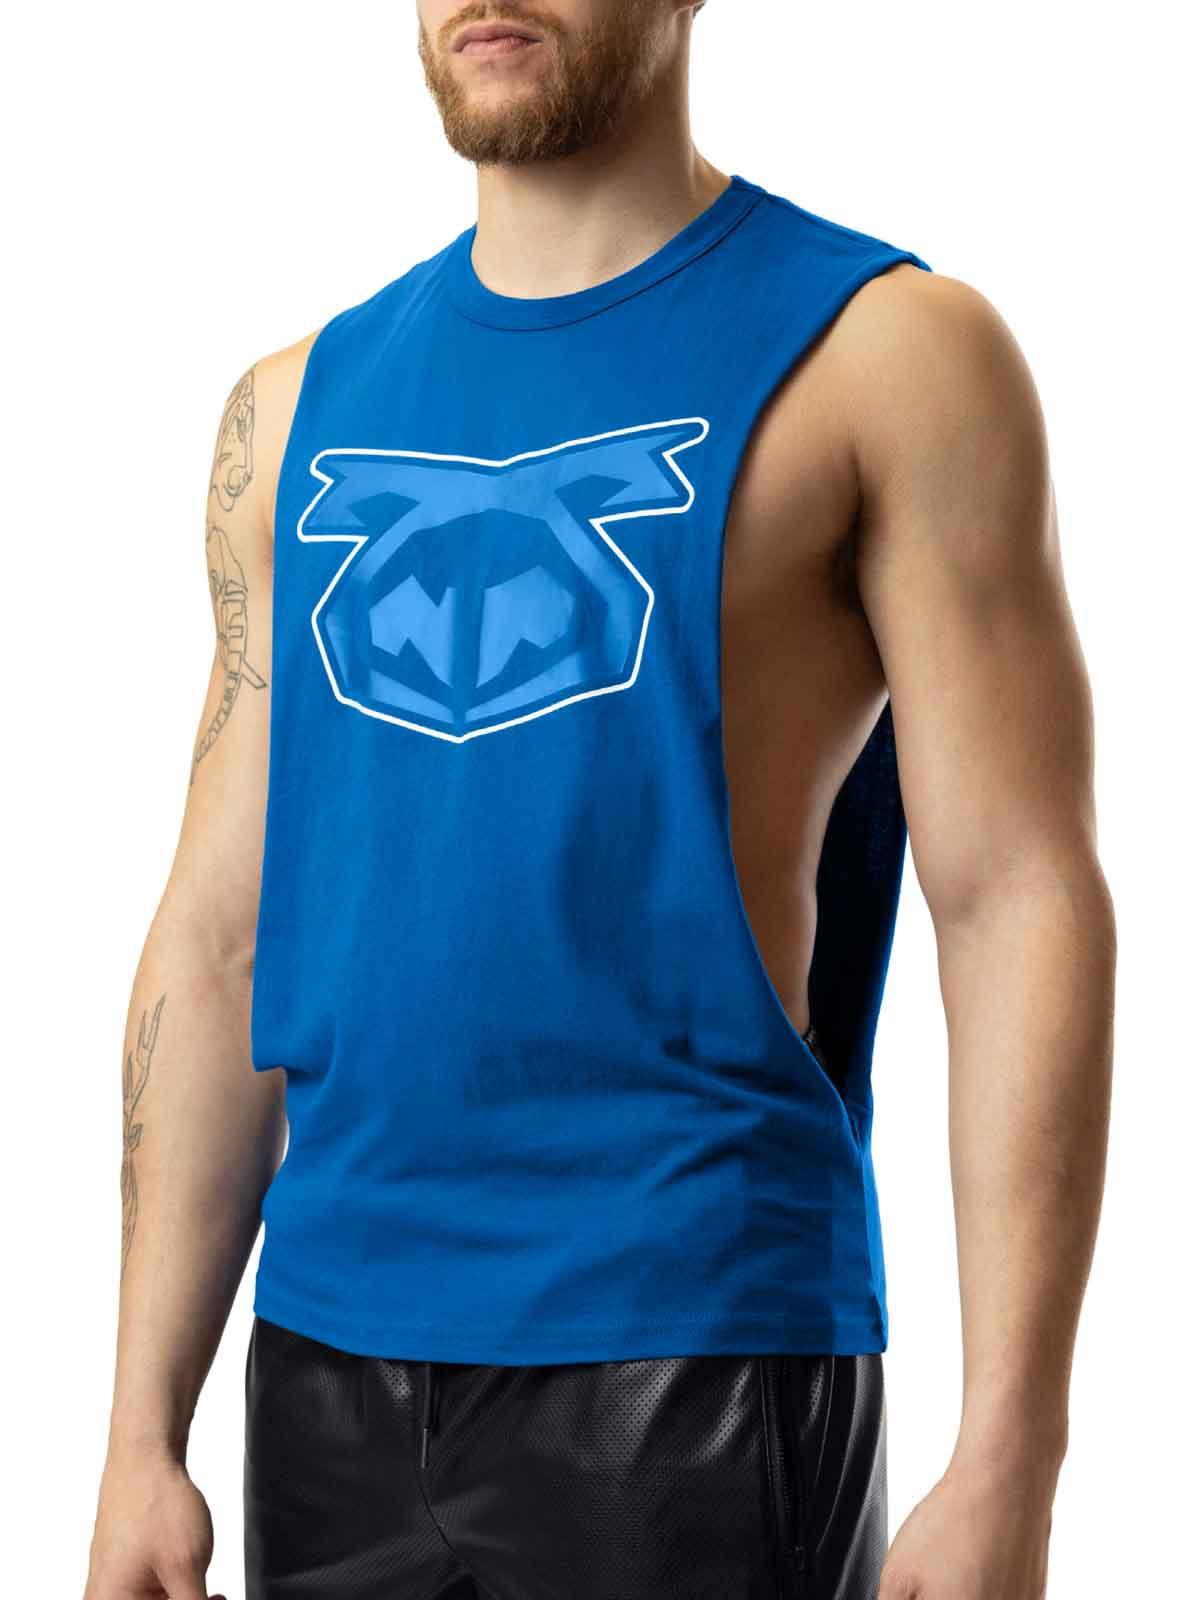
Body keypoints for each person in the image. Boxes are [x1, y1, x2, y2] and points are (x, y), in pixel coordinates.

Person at [84, 4, 1116, 1598]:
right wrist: (139, 1432)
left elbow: (1015, 896)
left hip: (695, 1350)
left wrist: (1012, 1458)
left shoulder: (888, 355)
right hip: (326, 1363)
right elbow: (219, 940)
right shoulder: (290, 412)